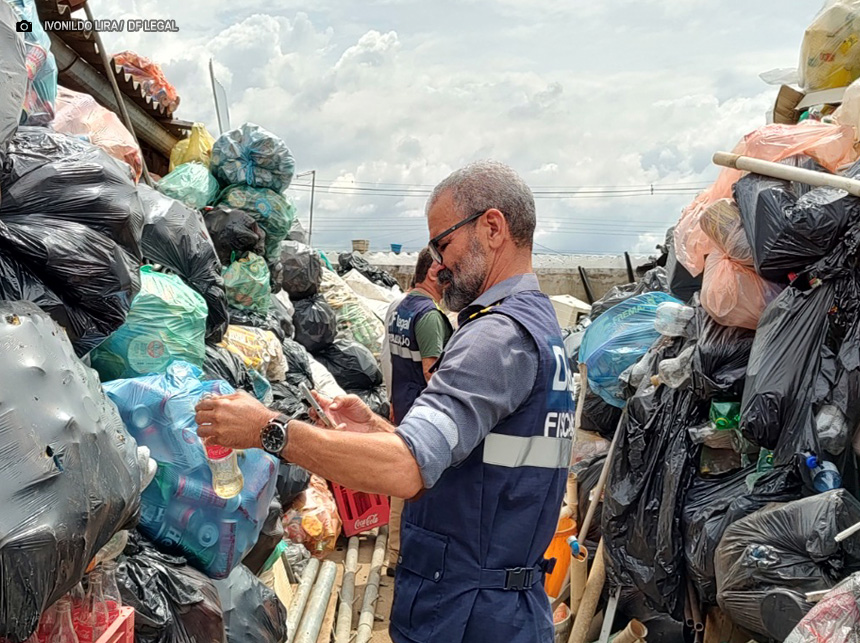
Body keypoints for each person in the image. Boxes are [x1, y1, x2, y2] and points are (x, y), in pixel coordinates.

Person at [195, 160, 576, 643]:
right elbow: (479, 462)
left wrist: (270, 430)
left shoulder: (494, 338)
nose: (438, 264)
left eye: (444, 243)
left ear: (493, 227)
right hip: (502, 603)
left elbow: (406, 471)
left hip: (467, 613)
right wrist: (382, 432)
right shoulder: (537, 324)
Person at [384, 246, 453, 573]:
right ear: (434, 272)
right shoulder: (428, 316)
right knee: (416, 485)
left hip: (402, 403)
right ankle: (403, 556)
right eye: (449, 271)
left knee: (401, 484)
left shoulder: (403, 307)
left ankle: (394, 553)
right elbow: (432, 371)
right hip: (419, 412)